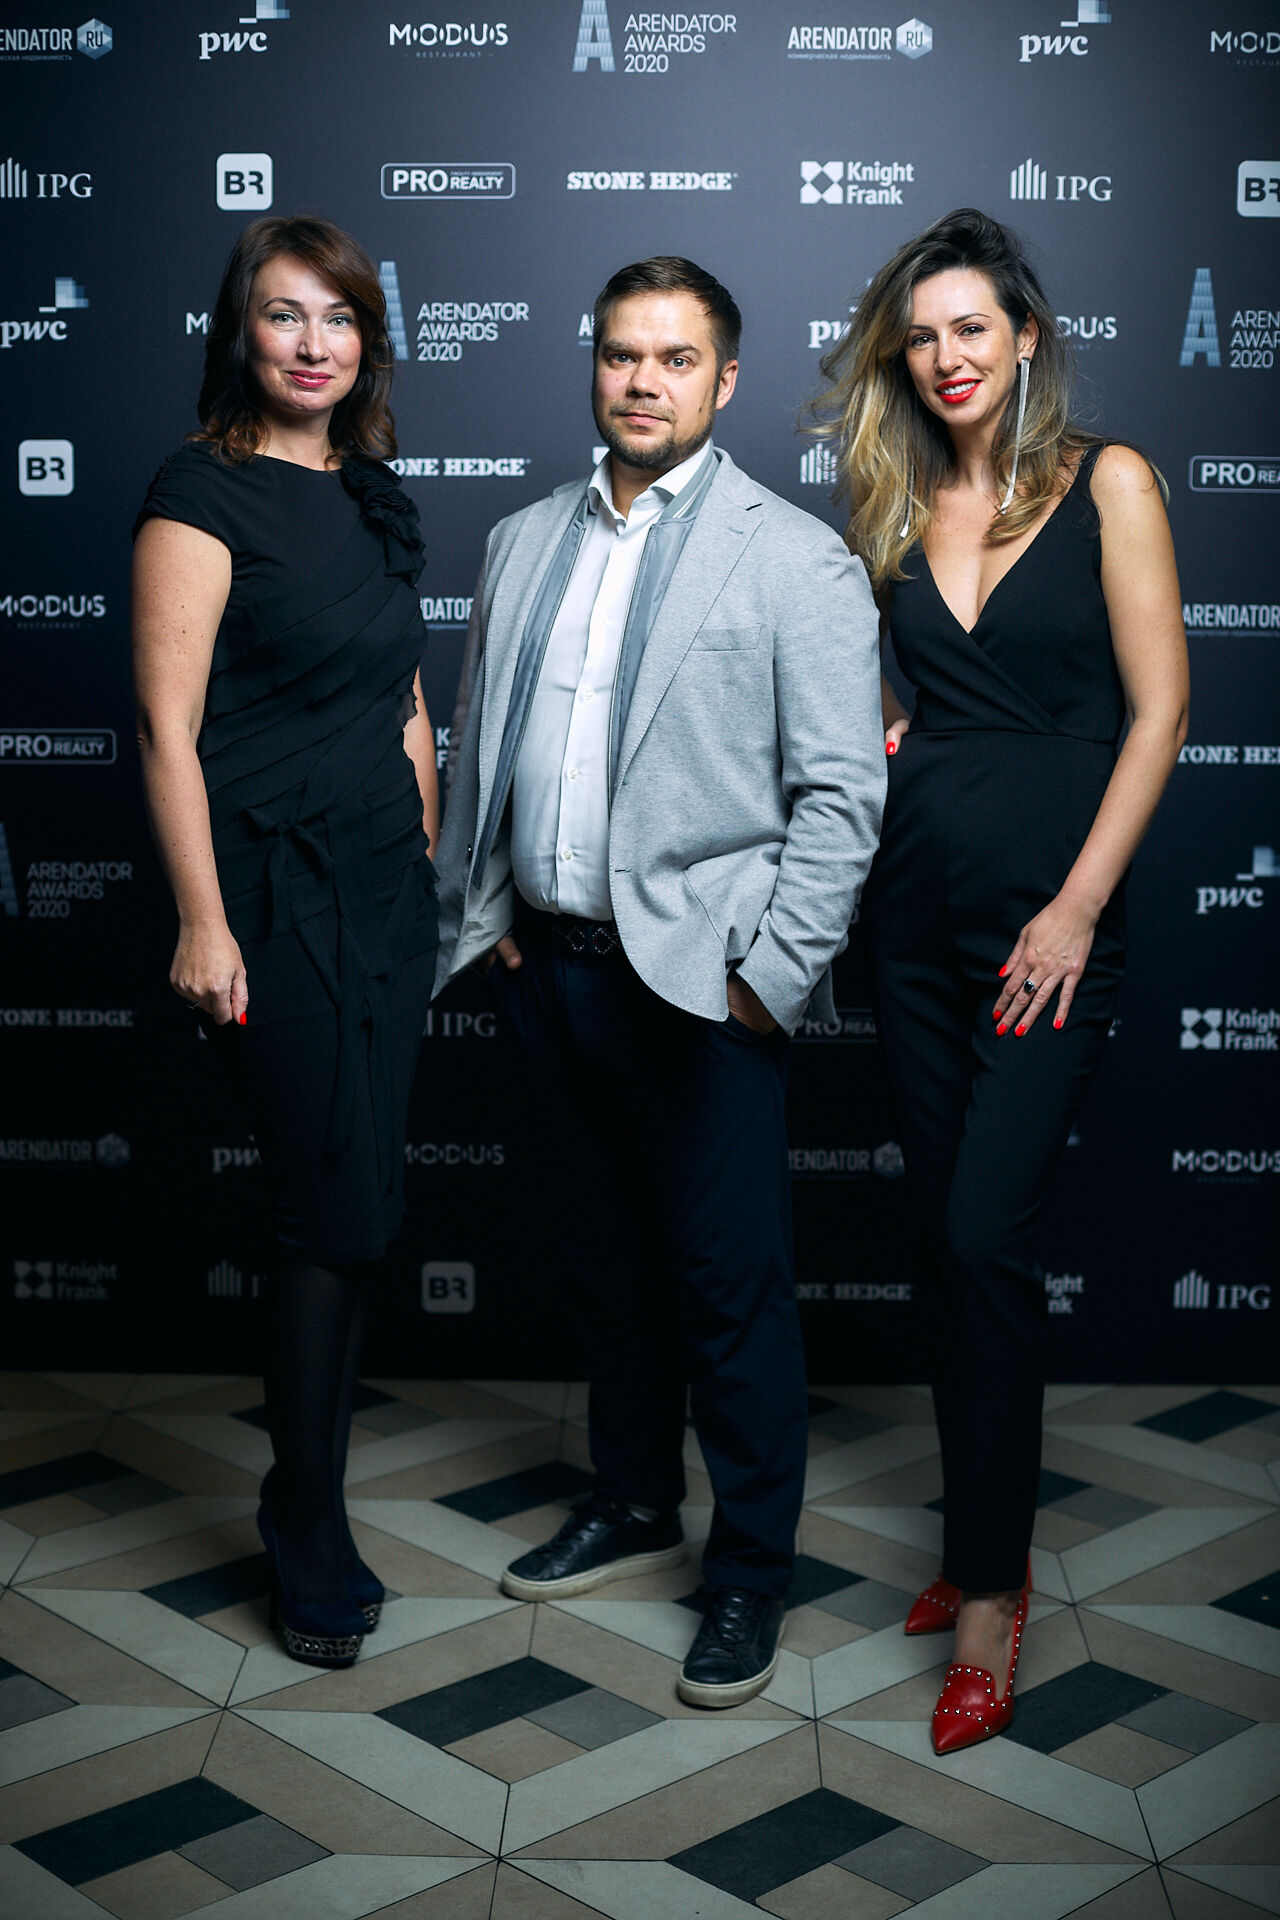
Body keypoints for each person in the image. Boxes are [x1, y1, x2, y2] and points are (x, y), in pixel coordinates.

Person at [434, 256, 884, 1708]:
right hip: (548, 970)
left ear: (726, 379)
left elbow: (840, 796)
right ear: (595, 366)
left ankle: (749, 1571)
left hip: (702, 989)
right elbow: (489, 740)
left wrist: (769, 978)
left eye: (676, 359)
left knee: (730, 1291)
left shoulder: (793, 556)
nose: (643, 382)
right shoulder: (518, 540)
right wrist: (492, 911)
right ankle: (632, 1498)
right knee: (604, 1267)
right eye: (623, 354)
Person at [814, 209, 1188, 1751]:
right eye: (921, 337)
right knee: (944, 1244)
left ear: (1025, 338)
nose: (946, 357)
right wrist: (895, 736)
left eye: (972, 328)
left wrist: (1076, 910)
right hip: (906, 922)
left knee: (985, 1234)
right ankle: (981, 1533)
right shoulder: (895, 503)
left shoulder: (1110, 484)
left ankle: (989, 1598)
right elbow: (902, 693)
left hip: (1048, 932)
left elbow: (1160, 712)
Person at [132, 215, 439, 1669]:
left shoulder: (374, 496)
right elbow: (165, 727)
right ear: (240, 332)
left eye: (339, 317)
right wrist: (202, 919)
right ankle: (302, 1518)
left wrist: (424, 854)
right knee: (325, 1215)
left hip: (384, 895)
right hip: (266, 895)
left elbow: (403, 697)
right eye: (283, 314)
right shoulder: (200, 492)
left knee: (363, 1213)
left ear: (367, 339)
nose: (313, 344)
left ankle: (308, 1487)